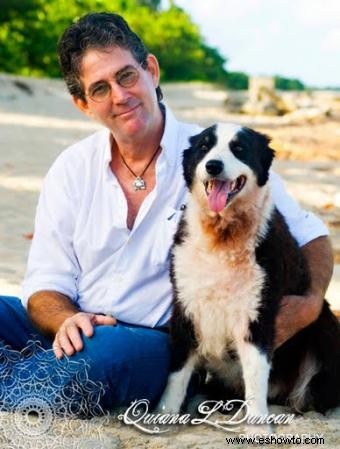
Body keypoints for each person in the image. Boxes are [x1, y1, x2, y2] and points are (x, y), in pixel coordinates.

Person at [0, 12, 334, 413]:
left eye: (126, 76)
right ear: (82, 104)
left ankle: (29, 378)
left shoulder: (217, 157)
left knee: (109, 353)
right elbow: (43, 282)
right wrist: (65, 320)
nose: (120, 96)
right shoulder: (71, 169)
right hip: (73, 327)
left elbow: (312, 235)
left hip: (152, 342)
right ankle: (34, 371)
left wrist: (313, 301)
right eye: (100, 88)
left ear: (151, 71)